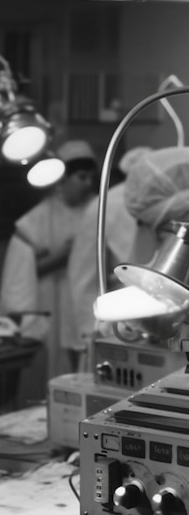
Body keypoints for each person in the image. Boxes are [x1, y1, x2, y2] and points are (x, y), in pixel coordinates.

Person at [0, 139, 98, 388]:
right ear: (62, 180)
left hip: (90, 299)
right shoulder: (38, 218)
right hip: (53, 300)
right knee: (55, 366)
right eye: (81, 177)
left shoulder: (100, 208)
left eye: (90, 178)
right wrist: (63, 256)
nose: (87, 184)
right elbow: (25, 272)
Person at [66, 146, 152, 359]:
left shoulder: (173, 203)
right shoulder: (106, 205)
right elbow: (83, 277)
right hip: (122, 325)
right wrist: (89, 335)